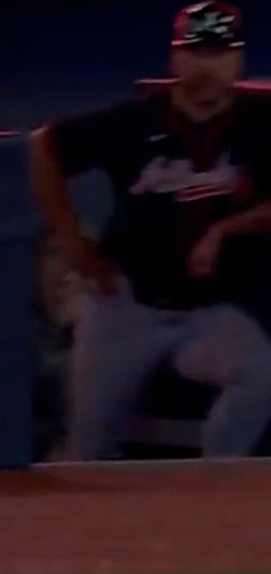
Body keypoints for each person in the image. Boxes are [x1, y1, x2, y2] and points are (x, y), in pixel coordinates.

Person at [30, 0, 271, 459]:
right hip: (126, 308)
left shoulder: (262, 122)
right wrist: (72, 238)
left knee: (260, 375)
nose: (207, 66)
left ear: (238, 59)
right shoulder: (134, 121)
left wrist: (227, 229)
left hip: (212, 314)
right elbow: (43, 147)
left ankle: (213, 489)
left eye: (219, 53)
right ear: (174, 57)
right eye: (195, 52)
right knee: (88, 447)